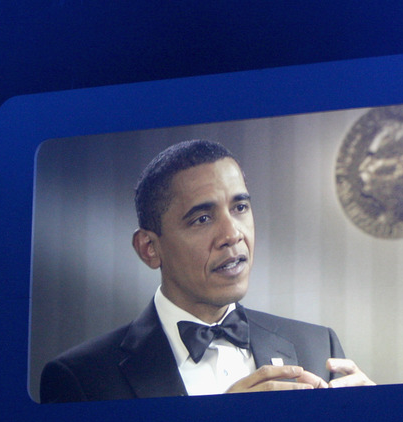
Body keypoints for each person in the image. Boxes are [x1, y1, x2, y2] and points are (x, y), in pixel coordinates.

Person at [40, 139, 374, 403]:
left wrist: (380, 420)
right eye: (202, 218)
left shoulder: (319, 347)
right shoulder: (80, 379)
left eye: (240, 207)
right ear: (149, 248)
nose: (232, 234)